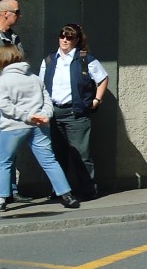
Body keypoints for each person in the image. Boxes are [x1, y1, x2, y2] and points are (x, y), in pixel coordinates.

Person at [0, 44, 78, 212]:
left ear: (0, 60)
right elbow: (47, 100)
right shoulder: (34, 78)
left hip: (13, 126)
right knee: (49, 161)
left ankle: (0, 200)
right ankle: (67, 195)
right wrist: (44, 115)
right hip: (39, 125)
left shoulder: (2, 81)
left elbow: (4, 105)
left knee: (4, 162)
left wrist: (27, 117)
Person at [38, 23, 108, 200]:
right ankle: (60, 191)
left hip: (76, 113)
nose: (65, 40)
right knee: (57, 155)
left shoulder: (85, 59)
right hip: (54, 113)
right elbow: (40, 84)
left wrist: (97, 100)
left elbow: (103, 78)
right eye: (62, 36)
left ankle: (88, 190)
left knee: (81, 155)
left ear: (77, 40)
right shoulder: (49, 60)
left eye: (69, 37)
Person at [0, 0, 25, 199]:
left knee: (10, 146)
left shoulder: (13, 37)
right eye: (17, 12)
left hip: (15, 99)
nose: (19, 15)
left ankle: (10, 190)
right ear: (5, 13)